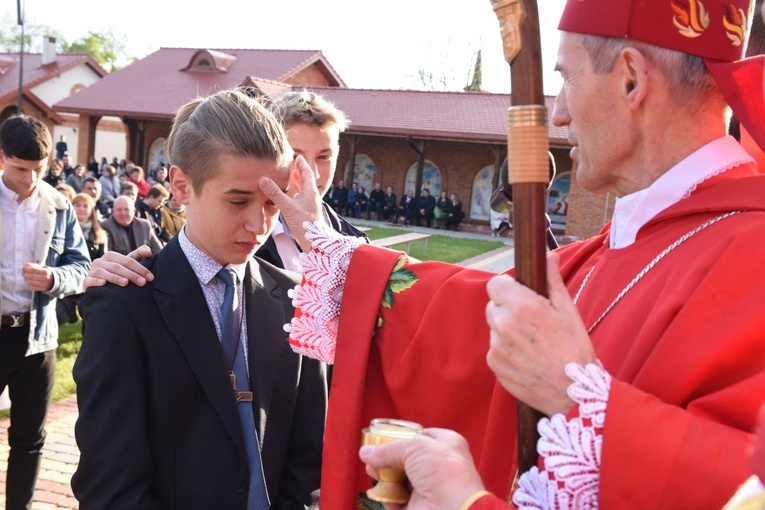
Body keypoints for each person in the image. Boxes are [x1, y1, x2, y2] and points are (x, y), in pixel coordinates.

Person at [256, 0, 765, 506]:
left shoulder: (751, 257)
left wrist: (576, 399)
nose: (559, 112)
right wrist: (322, 240)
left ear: (631, 79)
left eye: (567, 77)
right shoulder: (639, 240)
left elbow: (743, 486)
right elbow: (461, 312)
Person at [71, 87, 327, 509]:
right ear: (182, 185)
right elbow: (110, 486)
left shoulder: (299, 298)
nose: (258, 224)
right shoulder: (126, 302)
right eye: (238, 200)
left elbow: (308, 462)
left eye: (271, 202)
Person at [0, 114, 90, 510]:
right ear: (2, 157)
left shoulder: (58, 204)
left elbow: (82, 266)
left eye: (39, 169)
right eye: (21, 169)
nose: (30, 178)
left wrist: (54, 278)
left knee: (29, 439)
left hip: (38, 338)